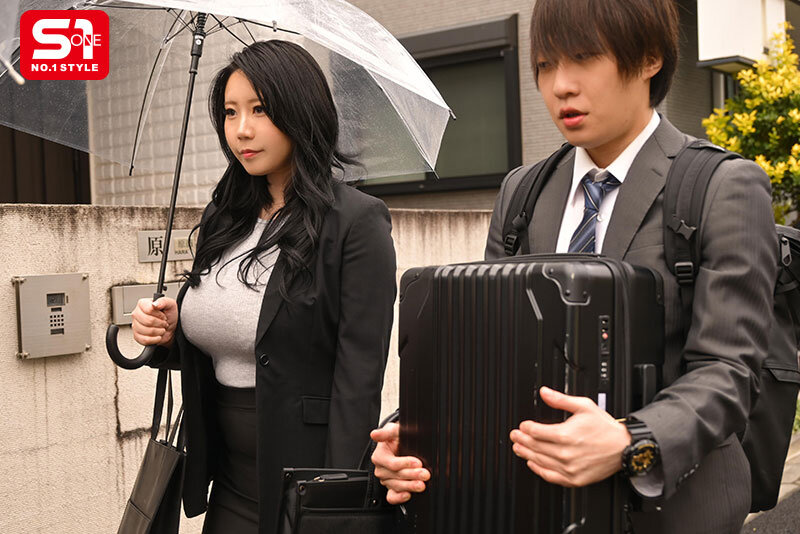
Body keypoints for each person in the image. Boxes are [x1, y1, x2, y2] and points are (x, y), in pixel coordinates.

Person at [370, 1, 778, 532]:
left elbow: (729, 372)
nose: (560, 86)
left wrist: (631, 440)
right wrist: (416, 431)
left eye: (584, 58)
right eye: (545, 65)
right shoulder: (523, 191)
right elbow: (486, 349)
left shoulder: (722, 186)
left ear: (649, 58)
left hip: (672, 511)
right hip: (537, 504)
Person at [131, 40, 397, 534]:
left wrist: (337, 503)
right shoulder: (224, 215)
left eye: (259, 109)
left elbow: (359, 378)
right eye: (230, 112)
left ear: (300, 111)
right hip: (228, 482)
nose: (242, 130)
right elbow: (225, 340)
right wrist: (169, 334)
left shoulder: (355, 222)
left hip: (306, 482)